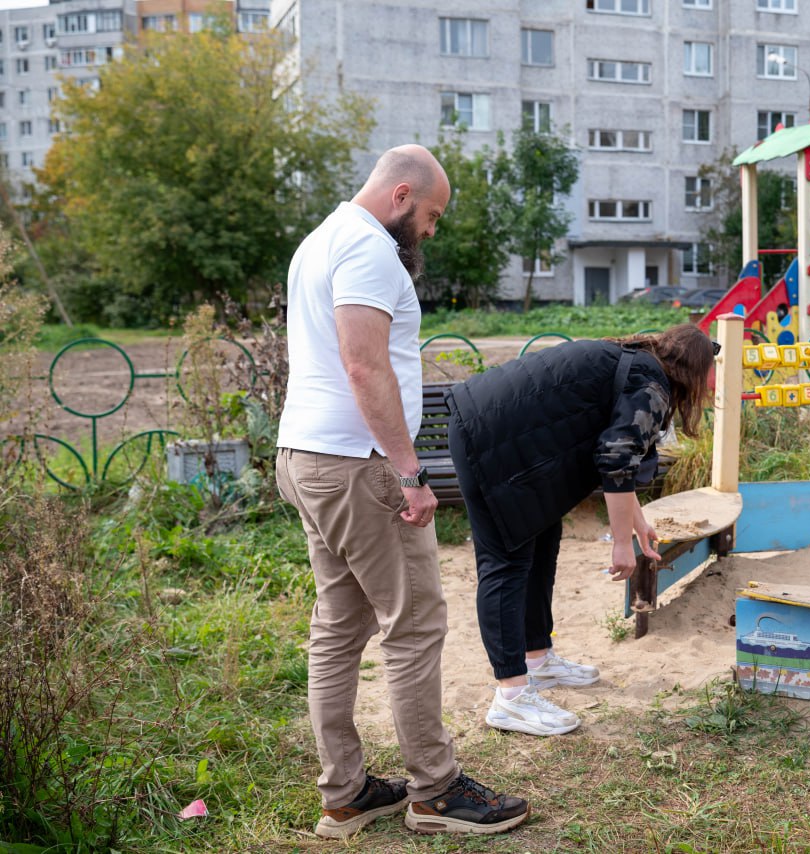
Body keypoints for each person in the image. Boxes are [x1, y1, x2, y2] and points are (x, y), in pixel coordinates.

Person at [275, 144, 528, 840]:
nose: (430, 231)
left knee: (338, 625)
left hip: (306, 454)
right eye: (431, 216)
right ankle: (436, 791)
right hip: (358, 466)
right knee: (414, 624)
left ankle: (347, 792)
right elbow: (363, 364)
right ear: (401, 195)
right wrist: (409, 470)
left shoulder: (319, 241)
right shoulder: (366, 251)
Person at [447, 324, 715, 736]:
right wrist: (622, 544)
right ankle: (512, 697)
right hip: (492, 441)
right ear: (694, 371)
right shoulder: (651, 384)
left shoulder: (641, 367)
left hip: (510, 439)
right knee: (507, 560)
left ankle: (538, 658)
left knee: (542, 537)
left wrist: (638, 524)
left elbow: (616, 454)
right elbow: (616, 457)